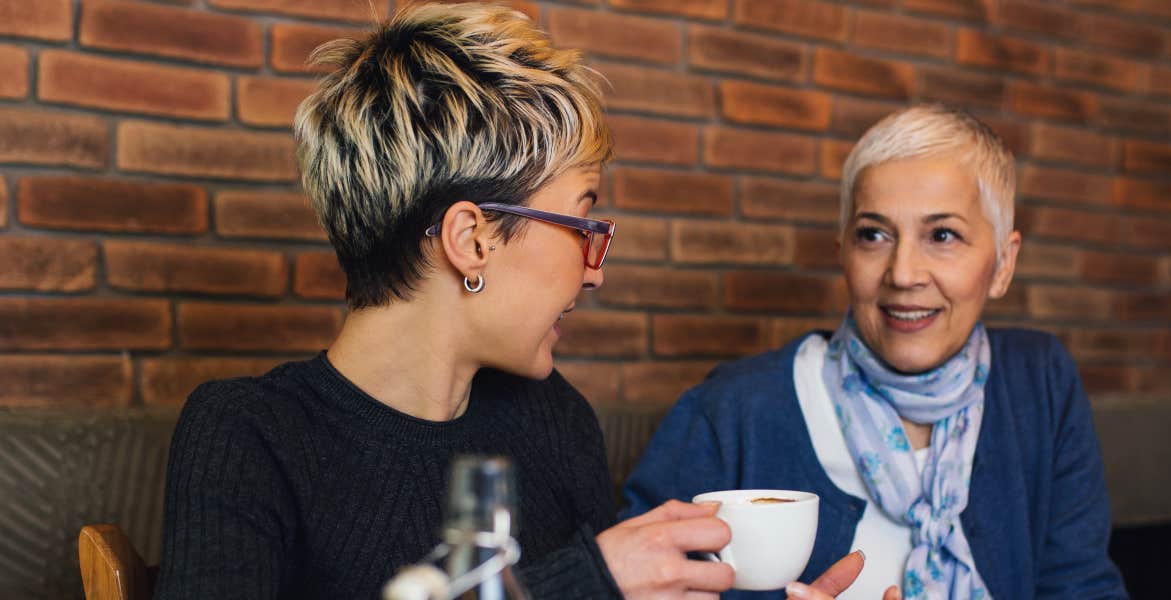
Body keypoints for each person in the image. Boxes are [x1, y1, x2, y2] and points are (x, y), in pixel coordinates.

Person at [153, 4, 873, 599]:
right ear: (471, 240)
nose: (594, 274)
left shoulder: (552, 419)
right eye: (582, 224)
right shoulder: (249, 437)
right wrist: (581, 585)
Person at [622, 104, 1129, 600]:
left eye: (943, 235)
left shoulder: (1039, 383)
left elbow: (1081, 586)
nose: (903, 273)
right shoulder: (731, 412)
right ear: (841, 250)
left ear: (1002, 264)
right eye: (874, 235)